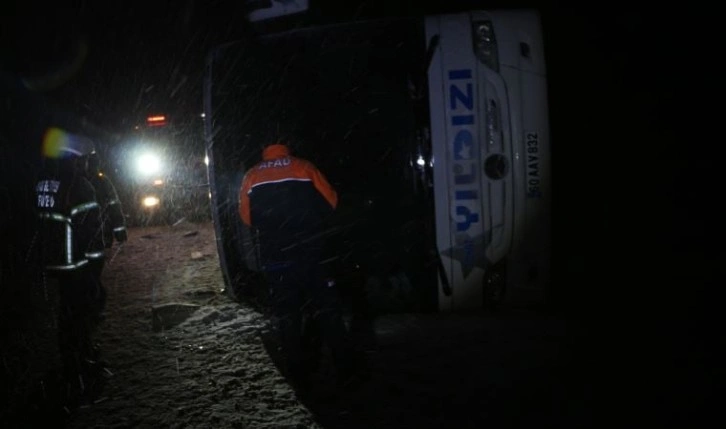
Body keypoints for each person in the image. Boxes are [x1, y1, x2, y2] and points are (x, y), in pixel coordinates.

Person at [239, 137, 363, 390]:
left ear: (263, 149)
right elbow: (332, 201)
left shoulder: (251, 176)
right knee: (328, 312)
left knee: (288, 315)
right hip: (313, 254)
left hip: (277, 258)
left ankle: (297, 374)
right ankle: (347, 370)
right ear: (287, 147)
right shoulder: (305, 167)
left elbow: (247, 217)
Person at [33, 131, 105, 405]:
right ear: (77, 161)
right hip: (76, 265)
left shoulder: (44, 184)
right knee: (80, 314)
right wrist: (94, 267)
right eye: (85, 160)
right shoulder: (81, 187)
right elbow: (90, 232)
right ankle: (80, 365)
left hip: (55, 262)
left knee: (66, 314)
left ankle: (70, 363)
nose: (88, 165)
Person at [84, 150, 128, 323]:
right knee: (90, 276)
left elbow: (113, 205)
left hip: (94, 237)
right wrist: (119, 230)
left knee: (92, 275)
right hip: (92, 236)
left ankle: (93, 310)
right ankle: (93, 309)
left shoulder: (99, 182)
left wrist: (119, 230)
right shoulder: (88, 183)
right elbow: (114, 206)